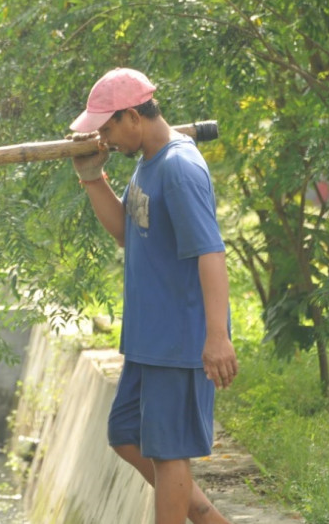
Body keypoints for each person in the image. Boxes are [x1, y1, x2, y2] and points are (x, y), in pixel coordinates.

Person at [69, 68, 239, 524]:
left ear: (132, 116)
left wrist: (217, 336)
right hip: (149, 340)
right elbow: (130, 231)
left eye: (107, 128)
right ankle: (205, 516)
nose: (103, 137)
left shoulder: (180, 168)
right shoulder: (149, 162)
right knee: (125, 433)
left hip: (180, 337)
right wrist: (92, 177)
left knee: (169, 452)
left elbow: (211, 253)